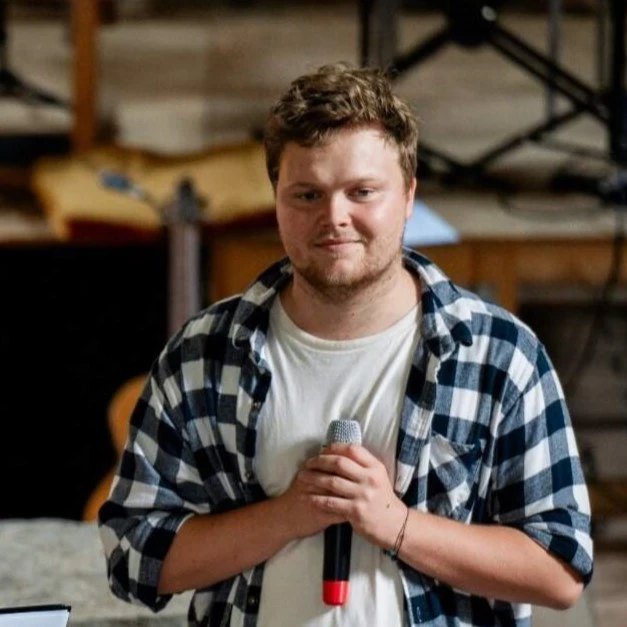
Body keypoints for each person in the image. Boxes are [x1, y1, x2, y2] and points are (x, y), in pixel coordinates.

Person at [98, 62, 593, 626]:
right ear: (276, 198)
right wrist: (288, 516)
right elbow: (132, 555)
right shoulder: (203, 355)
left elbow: (558, 571)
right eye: (307, 194)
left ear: (408, 196)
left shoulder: (499, 354)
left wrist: (392, 523)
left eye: (362, 192)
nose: (334, 218)